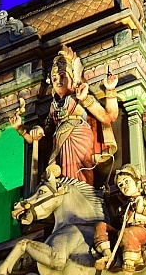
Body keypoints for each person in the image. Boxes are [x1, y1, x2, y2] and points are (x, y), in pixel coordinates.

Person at [11, 47, 118, 185]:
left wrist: (108, 89)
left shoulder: (80, 97)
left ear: (73, 78)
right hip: (59, 143)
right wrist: (21, 128)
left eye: (63, 76)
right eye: (54, 78)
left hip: (79, 137)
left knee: (79, 174)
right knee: (63, 179)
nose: (58, 81)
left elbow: (108, 117)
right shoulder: (53, 107)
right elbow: (42, 141)